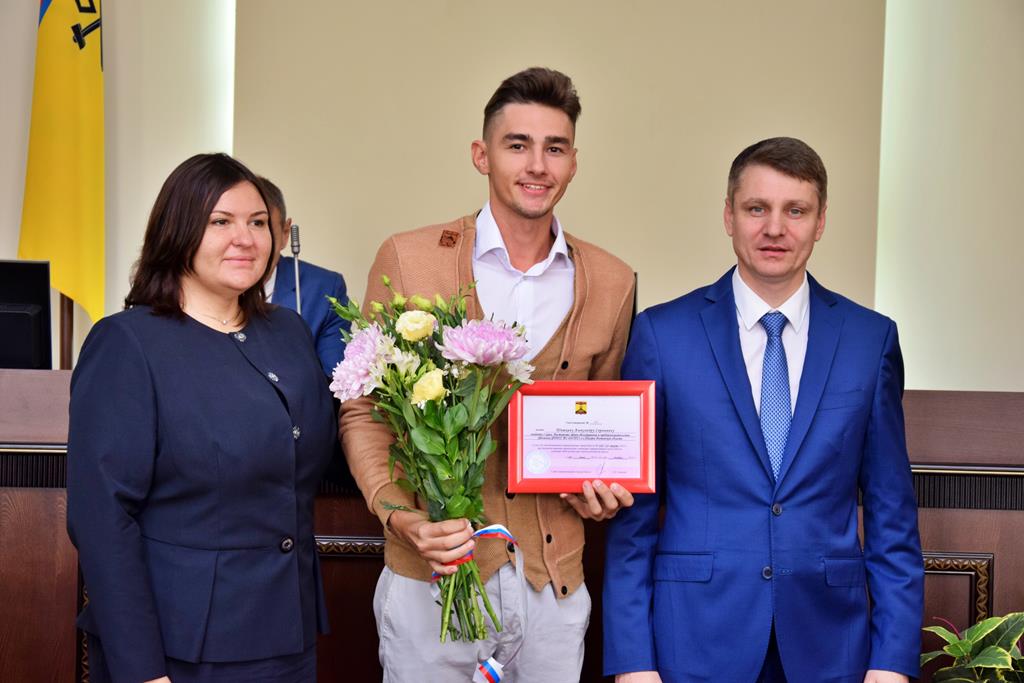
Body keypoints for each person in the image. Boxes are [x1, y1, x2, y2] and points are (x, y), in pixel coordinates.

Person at [340, 67, 636, 682]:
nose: (537, 165)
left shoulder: (612, 281)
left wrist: (601, 490)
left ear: (574, 163)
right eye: (517, 145)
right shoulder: (409, 259)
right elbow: (365, 410)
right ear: (482, 155)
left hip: (553, 584)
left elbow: (604, 423)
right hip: (432, 577)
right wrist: (401, 518)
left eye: (555, 148)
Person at [603, 137, 924, 683]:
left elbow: (892, 518)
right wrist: (633, 663)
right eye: (757, 208)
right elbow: (632, 523)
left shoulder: (870, 341)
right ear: (729, 216)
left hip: (831, 647)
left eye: (795, 210)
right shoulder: (662, 334)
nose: (775, 228)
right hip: (694, 644)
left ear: (820, 222)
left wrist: (890, 663)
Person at [66, 153, 337, 683]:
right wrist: (142, 670)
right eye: (220, 222)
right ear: (178, 231)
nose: (245, 239)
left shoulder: (288, 332)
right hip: (179, 648)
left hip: (288, 633)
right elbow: (102, 521)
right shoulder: (127, 343)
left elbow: (313, 453)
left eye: (257, 222)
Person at [258, 175, 350, 376]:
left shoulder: (324, 289)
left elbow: (334, 381)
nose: (246, 240)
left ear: (285, 233)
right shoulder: (198, 288)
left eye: (259, 224)